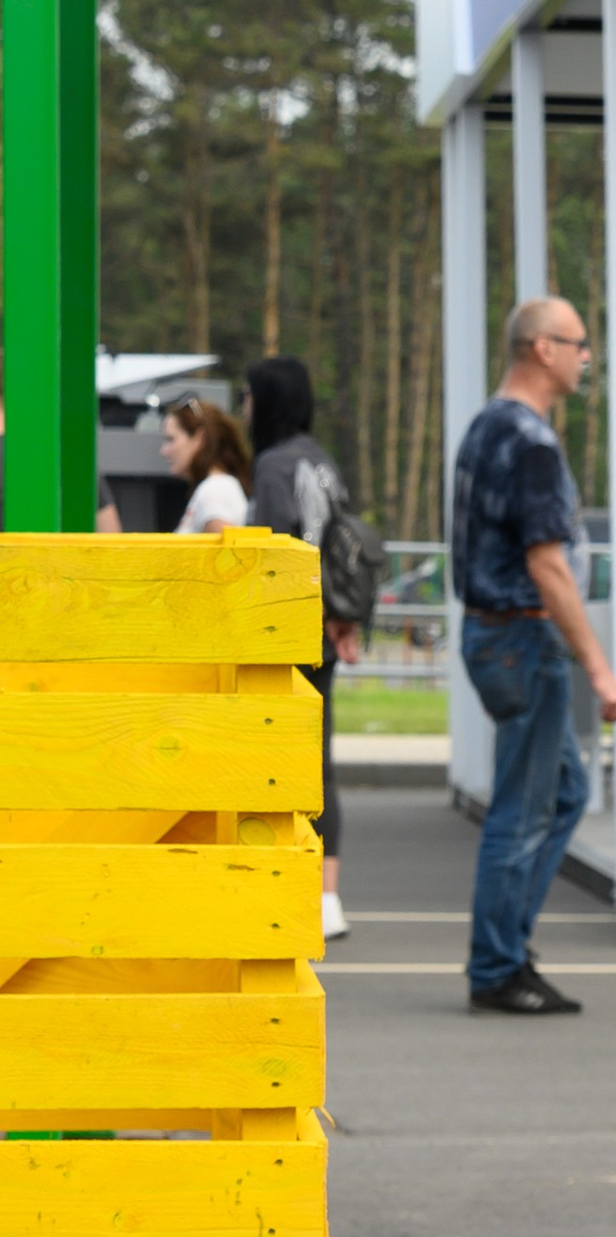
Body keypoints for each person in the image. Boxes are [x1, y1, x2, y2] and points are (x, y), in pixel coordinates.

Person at [449, 296, 616, 1017]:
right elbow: (548, 564)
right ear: (539, 349)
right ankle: (497, 966)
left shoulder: (487, 426)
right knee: (523, 811)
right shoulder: (529, 441)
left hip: (501, 637)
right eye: (577, 343)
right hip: (523, 639)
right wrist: (599, 666)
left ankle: (507, 949)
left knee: (563, 793)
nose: (587, 356)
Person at [245, 357, 366, 943]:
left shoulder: (272, 465)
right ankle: (328, 896)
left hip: (289, 630)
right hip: (329, 628)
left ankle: (275, 886)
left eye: (248, 398)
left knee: (274, 765)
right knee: (321, 760)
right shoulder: (322, 461)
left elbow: (270, 551)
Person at [161, 398, 250, 531]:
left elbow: (225, 549)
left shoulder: (215, 490)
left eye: (171, 439)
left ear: (199, 438)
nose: (164, 451)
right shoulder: (216, 487)